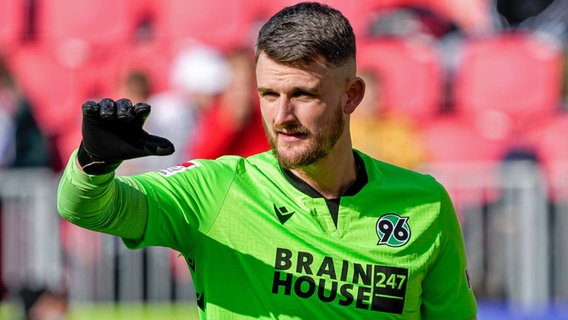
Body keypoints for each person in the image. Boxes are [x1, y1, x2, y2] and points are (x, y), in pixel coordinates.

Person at [57, 2, 477, 319]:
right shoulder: (217, 189)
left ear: (351, 96)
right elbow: (87, 208)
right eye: (269, 95)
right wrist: (94, 162)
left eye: (303, 95)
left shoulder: (425, 205)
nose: (281, 117)